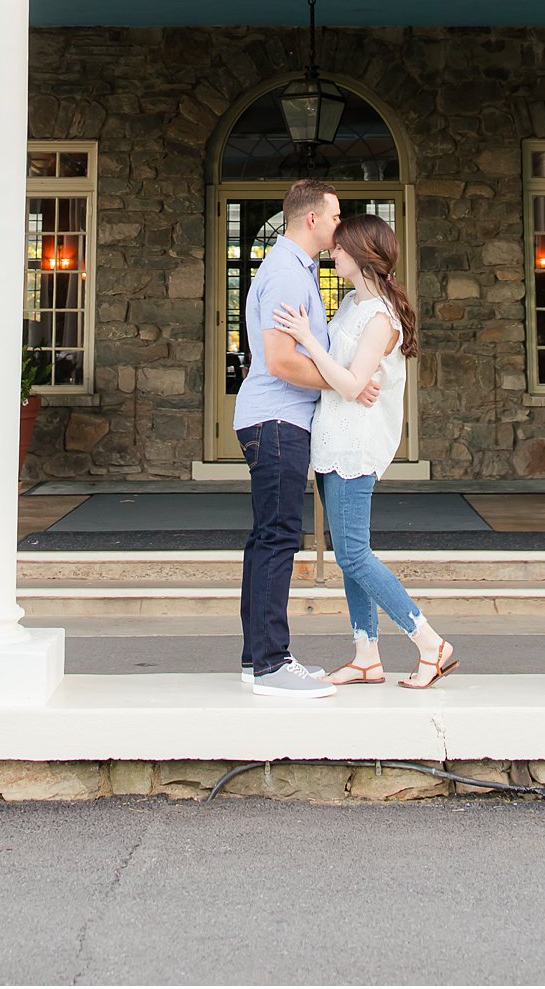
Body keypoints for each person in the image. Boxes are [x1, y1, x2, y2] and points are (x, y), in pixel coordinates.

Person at [274, 213, 457, 690]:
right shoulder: (354, 304)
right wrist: (347, 377)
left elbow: (354, 382)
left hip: (357, 444)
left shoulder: (381, 317)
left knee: (354, 553)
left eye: (339, 248)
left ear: (359, 254)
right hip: (332, 437)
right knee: (348, 553)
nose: (332, 253)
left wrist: (310, 341)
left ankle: (430, 643)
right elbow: (349, 379)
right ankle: (365, 656)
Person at [234, 177, 380, 700]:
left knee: (265, 538)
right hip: (277, 420)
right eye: (337, 216)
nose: (341, 225)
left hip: (274, 420)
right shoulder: (287, 275)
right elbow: (277, 360)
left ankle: (257, 660)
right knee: (277, 537)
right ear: (312, 219)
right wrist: (348, 386)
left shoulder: (294, 270)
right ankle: (273, 664)